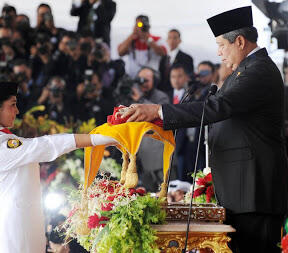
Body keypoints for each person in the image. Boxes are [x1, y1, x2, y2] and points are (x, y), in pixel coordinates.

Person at [119, 6, 288, 253]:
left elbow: (218, 107)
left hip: (254, 191)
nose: (218, 53)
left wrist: (158, 111)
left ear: (239, 41)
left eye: (221, 45)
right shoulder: (242, 71)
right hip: (241, 192)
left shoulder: (258, 71)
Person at [0, 80, 117, 253]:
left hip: (23, 220)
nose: (17, 111)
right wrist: (100, 139)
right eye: (13, 105)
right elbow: (46, 145)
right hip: (14, 227)